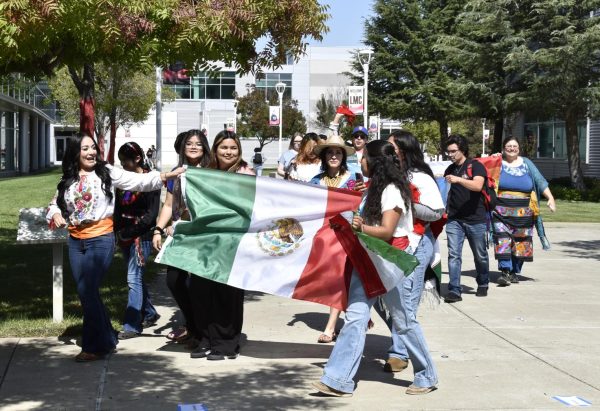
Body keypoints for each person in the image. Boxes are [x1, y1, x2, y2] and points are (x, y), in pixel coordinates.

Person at [312, 140, 438, 397]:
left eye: (363, 158)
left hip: (390, 265)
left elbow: (387, 231)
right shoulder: (373, 188)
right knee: (355, 319)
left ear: (375, 162)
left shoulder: (392, 191)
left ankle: (426, 375)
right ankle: (338, 380)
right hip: (368, 261)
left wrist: (359, 227)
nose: (360, 163)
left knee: (404, 322)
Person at [47, 134, 183, 362]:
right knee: (85, 292)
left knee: (88, 290)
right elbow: (54, 204)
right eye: (85, 149)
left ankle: (93, 346)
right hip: (75, 241)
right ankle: (108, 337)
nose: (91, 152)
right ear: (74, 153)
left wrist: (166, 176)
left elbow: (138, 181)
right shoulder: (68, 179)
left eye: (93, 148)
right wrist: (57, 213)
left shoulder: (106, 172)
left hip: (101, 239)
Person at [375, 130, 444, 374]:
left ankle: (400, 353)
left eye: (392, 147)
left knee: (405, 303)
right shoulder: (389, 176)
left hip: (416, 243)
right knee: (384, 299)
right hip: (392, 244)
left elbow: (437, 212)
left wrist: (403, 202)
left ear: (404, 150)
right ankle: (401, 345)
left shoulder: (420, 177)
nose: (389, 150)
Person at [188, 130, 254, 361]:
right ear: (215, 150)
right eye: (224, 147)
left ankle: (226, 343)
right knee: (201, 291)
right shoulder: (205, 174)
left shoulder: (247, 174)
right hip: (206, 243)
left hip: (234, 244)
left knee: (228, 294)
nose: (228, 152)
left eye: (233, 148)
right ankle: (206, 338)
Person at [153, 130, 210, 347]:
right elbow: (168, 205)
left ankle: (200, 330)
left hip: (203, 236)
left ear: (204, 147)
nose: (194, 147)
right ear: (182, 147)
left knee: (199, 285)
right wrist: (158, 228)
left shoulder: (211, 172)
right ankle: (193, 323)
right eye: (189, 143)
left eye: (198, 143)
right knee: (174, 280)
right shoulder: (176, 174)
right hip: (179, 233)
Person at [309, 134, 358, 344]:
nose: (334, 156)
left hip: (348, 236)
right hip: (324, 236)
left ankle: (330, 327)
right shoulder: (316, 181)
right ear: (324, 156)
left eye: (338, 152)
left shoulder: (355, 178)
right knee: (332, 279)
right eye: (330, 152)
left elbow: (361, 205)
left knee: (340, 278)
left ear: (343, 156)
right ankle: (357, 315)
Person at [114, 142, 161, 340]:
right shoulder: (123, 179)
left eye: (126, 161)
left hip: (141, 236)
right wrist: (118, 232)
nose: (123, 165)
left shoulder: (151, 180)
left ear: (138, 159)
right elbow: (117, 207)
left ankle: (132, 325)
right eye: (121, 162)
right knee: (137, 277)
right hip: (123, 233)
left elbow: (151, 215)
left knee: (133, 278)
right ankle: (149, 312)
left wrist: (131, 232)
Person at [493, 137, 556, 285]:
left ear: (519, 148)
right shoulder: (497, 163)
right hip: (500, 211)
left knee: (521, 241)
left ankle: (514, 271)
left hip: (524, 212)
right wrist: (492, 158)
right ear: (503, 148)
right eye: (509, 146)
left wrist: (550, 198)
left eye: (515, 146)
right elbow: (479, 168)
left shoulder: (527, 163)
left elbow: (540, 181)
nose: (512, 148)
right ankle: (505, 271)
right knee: (502, 239)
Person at [443, 134, 490, 302]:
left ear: (462, 149)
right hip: (454, 219)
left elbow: (477, 186)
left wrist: (458, 180)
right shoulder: (449, 169)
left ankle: (483, 283)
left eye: (453, 151)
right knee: (453, 254)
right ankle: (455, 290)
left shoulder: (475, 166)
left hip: (475, 219)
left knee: (480, 255)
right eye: (448, 152)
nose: (450, 155)